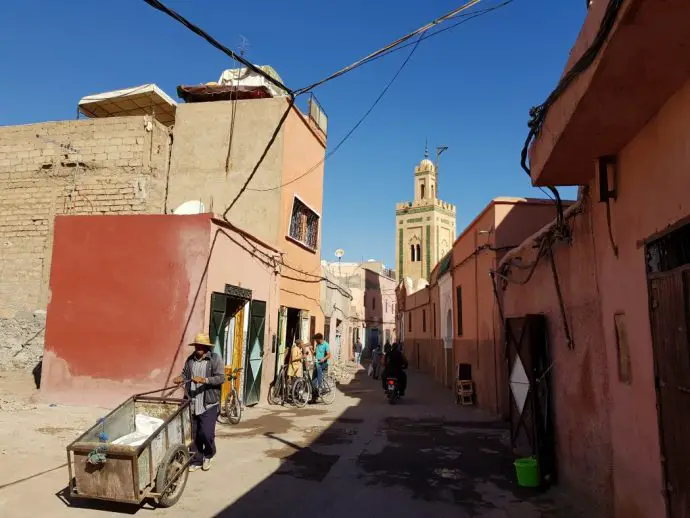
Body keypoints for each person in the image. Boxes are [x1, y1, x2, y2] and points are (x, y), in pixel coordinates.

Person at [173, 332, 225, 472]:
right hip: (192, 401)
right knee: (194, 433)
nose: (198, 348)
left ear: (207, 347)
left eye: (201, 346)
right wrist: (180, 378)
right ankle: (196, 459)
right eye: (197, 345)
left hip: (208, 402)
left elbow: (221, 378)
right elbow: (185, 374)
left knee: (206, 433)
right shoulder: (190, 360)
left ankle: (209, 454)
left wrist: (205, 380)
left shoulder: (214, 359)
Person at [312, 333, 332, 398]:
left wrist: (323, 359)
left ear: (320, 339)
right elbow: (315, 354)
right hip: (317, 362)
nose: (315, 341)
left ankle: (321, 387)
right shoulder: (317, 345)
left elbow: (329, 355)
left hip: (324, 363)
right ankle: (315, 396)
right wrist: (311, 349)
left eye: (316, 340)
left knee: (318, 369)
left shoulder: (326, 344)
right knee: (314, 379)